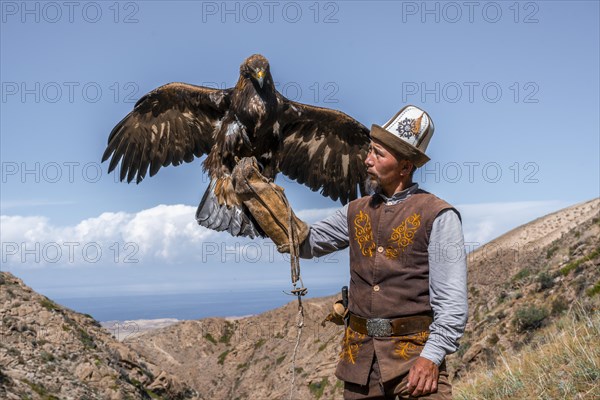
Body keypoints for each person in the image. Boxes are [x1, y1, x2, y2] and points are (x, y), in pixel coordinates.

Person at [233, 105, 468, 399]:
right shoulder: (354, 211)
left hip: (415, 367)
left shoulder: (439, 215)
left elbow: (452, 306)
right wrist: (264, 208)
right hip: (359, 368)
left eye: (378, 154)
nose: (367, 160)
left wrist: (431, 358)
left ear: (405, 167)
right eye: (370, 150)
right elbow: (307, 243)